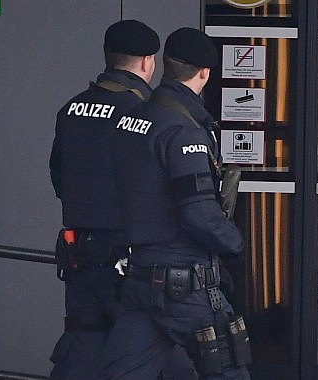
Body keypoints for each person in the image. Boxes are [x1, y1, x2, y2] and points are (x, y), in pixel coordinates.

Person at [100, 27, 252, 379]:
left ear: (165, 65)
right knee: (229, 371)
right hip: (184, 287)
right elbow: (198, 213)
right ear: (205, 73)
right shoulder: (183, 131)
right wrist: (236, 243)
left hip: (138, 281)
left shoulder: (133, 118)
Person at [49, 20, 194, 379]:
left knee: (84, 350)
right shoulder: (147, 114)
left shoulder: (71, 110)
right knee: (155, 357)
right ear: (148, 62)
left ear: (106, 56)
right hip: (135, 261)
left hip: (81, 256)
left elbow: (58, 179)